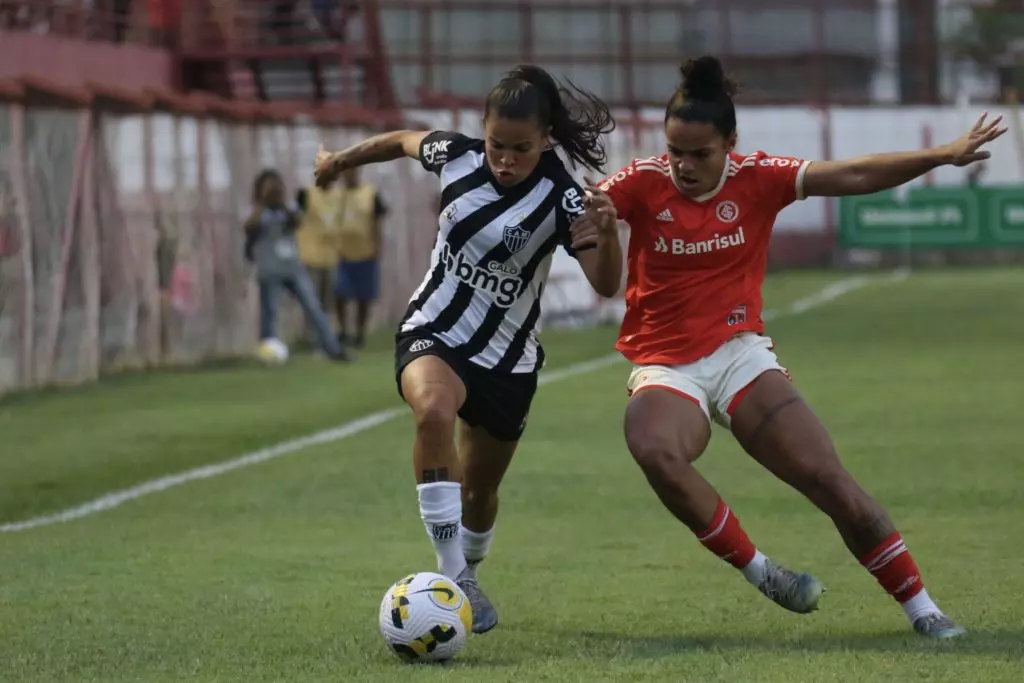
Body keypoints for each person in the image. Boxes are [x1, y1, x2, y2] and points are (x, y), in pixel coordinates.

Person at [598, 55, 1006, 640]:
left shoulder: (759, 177)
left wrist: (940, 155)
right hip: (665, 363)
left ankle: (924, 609)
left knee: (828, 479)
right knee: (655, 448)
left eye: (699, 153)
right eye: (675, 152)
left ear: (730, 143)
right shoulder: (639, 182)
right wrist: (590, 219)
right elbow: (588, 215)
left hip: (739, 354)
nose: (683, 166)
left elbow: (854, 175)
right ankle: (763, 572)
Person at [314, 64, 622, 635]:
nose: (505, 159)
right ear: (481, 131)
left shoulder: (565, 200)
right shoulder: (455, 156)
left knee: (481, 491)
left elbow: (607, 284)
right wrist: (340, 161)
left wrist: (610, 237)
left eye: (520, 149)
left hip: (509, 360)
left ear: (546, 139)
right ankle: (454, 580)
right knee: (432, 409)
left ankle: (470, 569)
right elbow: (402, 140)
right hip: (435, 328)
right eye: (496, 144)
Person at [244, 169, 349, 362]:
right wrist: (263, 203)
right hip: (269, 270)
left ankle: (332, 348)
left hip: (293, 268)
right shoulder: (255, 211)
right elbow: (248, 227)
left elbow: (297, 221)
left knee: (313, 306)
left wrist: (281, 203)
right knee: (270, 313)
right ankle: (268, 353)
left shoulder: (288, 208)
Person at [331, 166, 388, 349]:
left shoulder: (370, 193)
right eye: (345, 172)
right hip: (342, 255)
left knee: (364, 297)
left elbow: (378, 219)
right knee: (340, 294)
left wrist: (377, 247)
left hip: (365, 253)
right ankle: (342, 331)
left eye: (352, 171)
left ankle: (360, 334)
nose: (348, 175)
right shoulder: (336, 196)